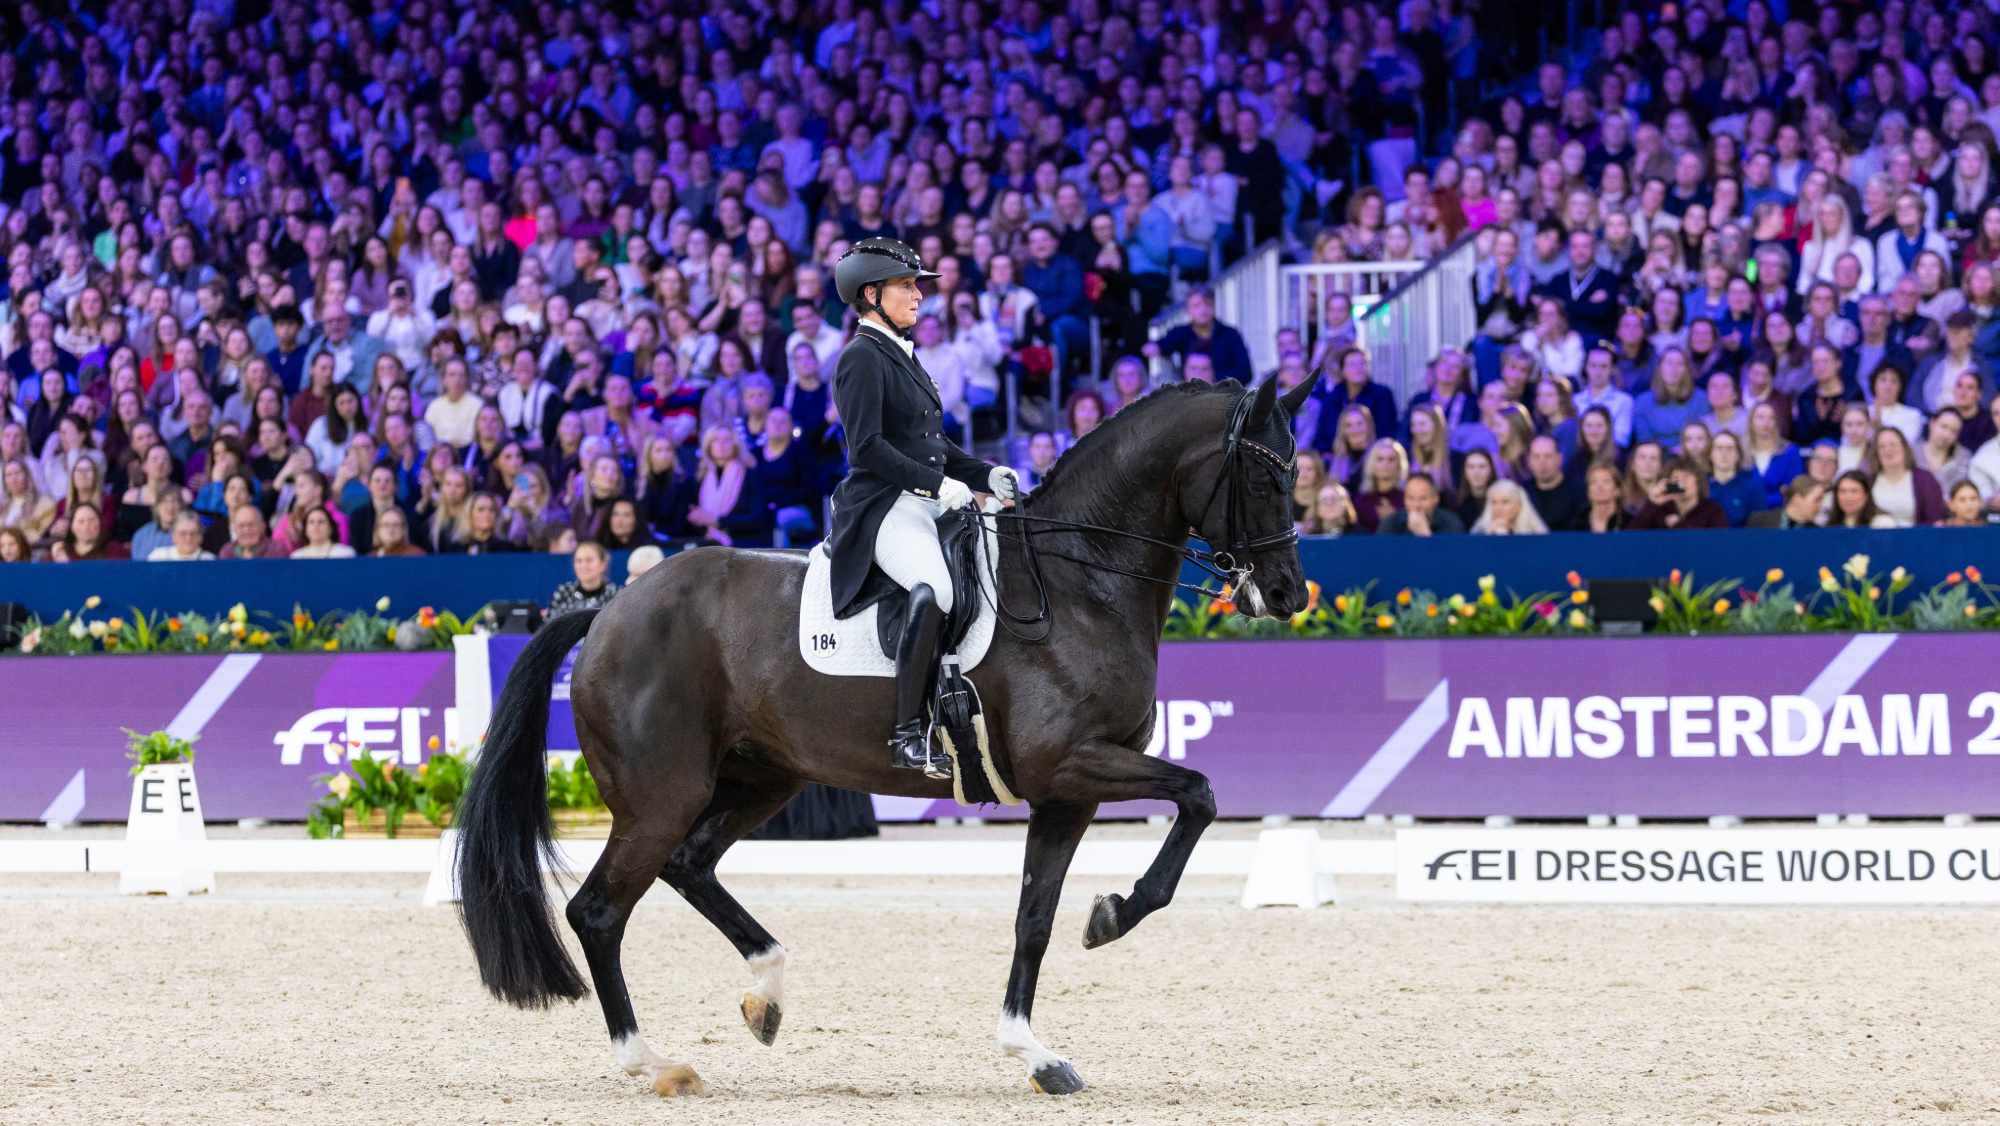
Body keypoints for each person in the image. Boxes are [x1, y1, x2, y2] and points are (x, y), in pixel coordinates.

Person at [825, 238, 1018, 776]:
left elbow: (932, 444)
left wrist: (983, 473)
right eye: (907, 286)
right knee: (938, 588)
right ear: (871, 294)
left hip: (923, 498)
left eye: (916, 286)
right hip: (885, 506)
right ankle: (907, 732)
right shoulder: (861, 357)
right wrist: (937, 486)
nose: (918, 296)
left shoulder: (904, 355)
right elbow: (867, 449)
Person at [1629, 458, 1728, 530]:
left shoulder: (1713, 512)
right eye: (1676, 478)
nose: (1681, 482)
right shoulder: (1659, 510)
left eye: (1686, 477)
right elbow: (1632, 537)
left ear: (1698, 482)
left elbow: (1717, 545)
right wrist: (1652, 503)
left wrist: (1680, 524)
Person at [1522, 435, 1585, 531]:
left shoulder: (1579, 492)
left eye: (1548, 456)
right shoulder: (1522, 493)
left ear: (1559, 458)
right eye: (1536, 457)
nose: (1542, 462)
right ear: (1529, 461)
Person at [1377, 472, 1465, 535]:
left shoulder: (1451, 524)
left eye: (1422, 498)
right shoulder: (1391, 524)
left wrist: (1424, 534)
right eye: (1411, 498)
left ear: (1436, 498)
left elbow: (1452, 560)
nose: (1416, 505)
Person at [549, 540, 619, 615]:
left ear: (603, 564)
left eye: (589, 560)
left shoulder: (616, 595)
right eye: (579, 561)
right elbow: (549, 624)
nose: (584, 566)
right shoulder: (563, 594)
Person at [1470, 479, 1549, 535]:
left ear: (1519, 505)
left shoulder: (1536, 533)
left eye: (1505, 502)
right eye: (1494, 502)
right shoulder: (1479, 532)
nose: (1498, 508)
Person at [1748, 477, 1831, 529]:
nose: (1820, 506)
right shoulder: (1760, 522)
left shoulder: (1817, 532)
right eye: (1817, 500)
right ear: (1797, 499)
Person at [1829, 470, 1898, 528]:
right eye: (1843, 491)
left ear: (1866, 494)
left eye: (1854, 491)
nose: (1848, 497)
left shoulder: (1882, 523)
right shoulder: (1831, 524)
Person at [146, 511, 216, 561]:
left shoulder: (209, 560)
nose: (188, 538)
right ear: (173, 536)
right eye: (183, 533)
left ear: (200, 537)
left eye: (193, 533)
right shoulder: (158, 557)